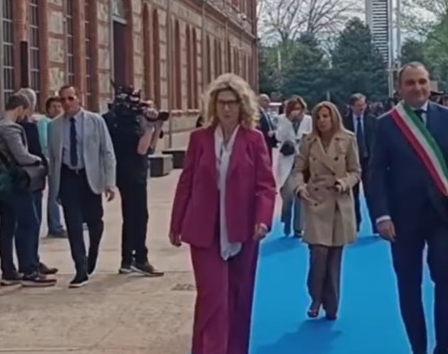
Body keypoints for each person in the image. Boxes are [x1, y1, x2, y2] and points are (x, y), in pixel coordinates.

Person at [368, 62, 448, 354]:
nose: (418, 88)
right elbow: (374, 174)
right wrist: (381, 216)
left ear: (429, 84)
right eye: (410, 83)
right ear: (400, 88)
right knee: (409, 287)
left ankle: (443, 346)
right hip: (402, 219)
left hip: (440, 216)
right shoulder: (387, 123)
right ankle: (418, 348)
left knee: (446, 280)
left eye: (422, 81)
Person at [169, 73, 277, 354]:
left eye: (232, 103)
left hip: (243, 229)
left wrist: (263, 220)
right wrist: (176, 222)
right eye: (221, 103)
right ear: (213, 107)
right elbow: (186, 182)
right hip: (204, 230)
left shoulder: (254, 140)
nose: (226, 109)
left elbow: (266, 185)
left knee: (239, 298)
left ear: (242, 106)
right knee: (213, 298)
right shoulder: (199, 139)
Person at [292, 100, 362, 320]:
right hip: (315, 201)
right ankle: (315, 297)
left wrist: (345, 183)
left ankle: (331, 304)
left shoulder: (348, 140)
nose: (322, 121)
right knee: (318, 254)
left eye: (326, 116)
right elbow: (297, 171)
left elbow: (356, 170)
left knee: (334, 257)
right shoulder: (308, 141)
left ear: (334, 118)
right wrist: (300, 187)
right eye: (319, 117)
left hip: (339, 203)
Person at [46, 85, 118, 287]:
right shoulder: (54, 126)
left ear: (79, 99)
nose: (67, 103)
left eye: (70, 98)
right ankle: (80, 268)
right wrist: (54, 188)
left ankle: (92, 252)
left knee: (95, 222)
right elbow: (52, 158)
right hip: (68, 178)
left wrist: (109, 183)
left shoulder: (95, 121)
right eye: (63, 100)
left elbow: (107, 152)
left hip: (90, 177)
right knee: (73, 224)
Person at [0, 92, 57, 288]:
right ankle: (29, 269)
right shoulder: (10, 127)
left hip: (4, 181)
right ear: (20, 109)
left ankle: (10, 270)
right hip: (17, 182)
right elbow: (22, 156)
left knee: (9, 225)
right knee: (28, 223)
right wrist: (40, 161)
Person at [104, 85, 164, 276]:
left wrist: (157, 126)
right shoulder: (127, 121)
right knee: (137, 216)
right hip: (132, 173)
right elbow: (142, 149)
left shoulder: (112, 118)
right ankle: (138, 259)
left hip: (129, 171)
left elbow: (151, 148)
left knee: (131, 216)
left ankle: (128, 260)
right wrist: (148, 126)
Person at [275, 97, 311, 237]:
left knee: (301, 194)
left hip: (302, 161)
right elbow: (278, 137)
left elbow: (313, 136)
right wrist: (288, 121)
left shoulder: (308, 120)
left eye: (299, 108)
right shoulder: (282, 120)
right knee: (288, 194)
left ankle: (298, 227)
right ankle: (286, 219)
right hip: (287, 161)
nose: (296, 112)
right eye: (293, 109)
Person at [342, 93, 376, 231]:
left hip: (369, 162)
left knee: (372, 194)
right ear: (351, 107)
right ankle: (355, 224)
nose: (362, 108)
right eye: (359, 106)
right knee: (352, 195)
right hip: (351, 163)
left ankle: (376, 224)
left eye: (364, 105)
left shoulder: (373, 121)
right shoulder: (344, 123)